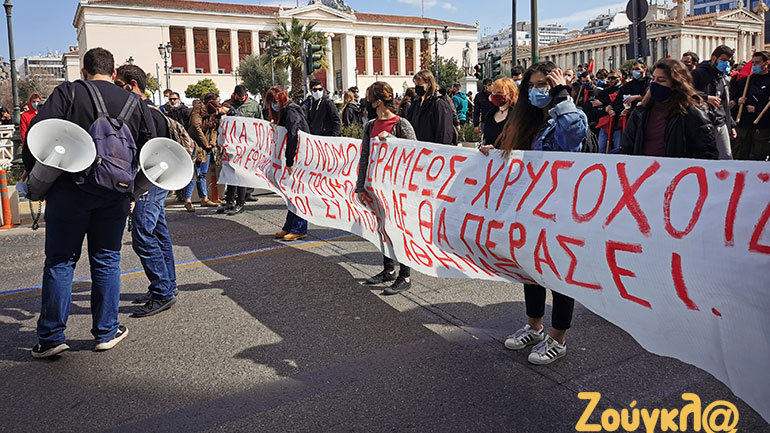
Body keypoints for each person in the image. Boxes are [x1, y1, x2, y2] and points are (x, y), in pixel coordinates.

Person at [23, 47, 156, 358]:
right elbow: (155, 142)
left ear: (83, 71)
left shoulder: (69, 92)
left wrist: (35, 173)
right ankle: (106, 332)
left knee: (60, 261)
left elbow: (37, 137)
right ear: (113, 74)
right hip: (116, 192)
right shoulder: (134, 101)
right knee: (108, 260)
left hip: (69, 191)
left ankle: (51, 337)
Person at [493, 61, 587, 365]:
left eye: (543, 85)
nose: (537, 91)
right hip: (529, 209)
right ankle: (534, 326)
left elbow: (574, 135)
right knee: (530, 269)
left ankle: (557, 338)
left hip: (560, 210)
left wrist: (562, 94)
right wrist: (490, 156)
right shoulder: (525, 122)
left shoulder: (568, 116)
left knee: (559, 274)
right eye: (531, 86)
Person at [115, 64, 179, 317]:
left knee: (142, 236)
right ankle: (167, 285)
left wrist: (135, 190)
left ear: (132, 85)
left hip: (148, 181)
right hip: (157, 179)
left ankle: (162, 291)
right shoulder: (153, 111)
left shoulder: (143, 112)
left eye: (119, 85)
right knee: (158, 232)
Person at [355, 82, 418, 295]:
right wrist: (360, 186)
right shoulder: (370, 125)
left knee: (399, 230)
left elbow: (414, 153)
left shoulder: (401, 124)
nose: (367, 101)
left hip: (397, 189)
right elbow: (364, 156)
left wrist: (391, 140)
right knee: (382, 228)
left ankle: (405, 274)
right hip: (376, 187)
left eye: (369, 97)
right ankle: (388, 269)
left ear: (379, 101)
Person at [622, 59, 718, 160]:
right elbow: (627, 146)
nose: (654, 84)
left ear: (676, 84)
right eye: (653, 79)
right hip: (644, 173)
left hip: (677, 173)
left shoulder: (692, 113)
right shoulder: (641, 112)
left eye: (661, 80)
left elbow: (707, 152)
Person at [266, 86, 310, 242]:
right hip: (293, 156)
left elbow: (293, 136)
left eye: (275, 102)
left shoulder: (291, 112)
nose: (273, 105)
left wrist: (290, 160)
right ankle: (290, 226)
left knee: (296, 192)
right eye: (271, 102)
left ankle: (299, 228)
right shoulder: (287, 111)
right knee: (291, 192)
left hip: (298, 157)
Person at [220, 85, 263, 215]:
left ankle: (240, 202)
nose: (241, 99)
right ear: (235, 95)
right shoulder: (227, 104)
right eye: (239, 97)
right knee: (230, 173)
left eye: (243, 97)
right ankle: (230, 201)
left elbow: (260, 125)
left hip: (247, 146)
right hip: (231, 145)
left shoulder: (253, 105)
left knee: (242, 174)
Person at [692, 45, 736, 160]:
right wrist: (706, 98)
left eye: (728, 61)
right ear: (713, 58)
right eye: (723, 60)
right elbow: (687, 92)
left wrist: (731, 124)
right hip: (703, 123)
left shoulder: (722, 77)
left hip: (720, 123)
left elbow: (724, 103)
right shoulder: (698, 74)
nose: (726, 64)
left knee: (726, 157)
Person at [183, 92, 222, 212]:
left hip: (206, 147)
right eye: (217, 101)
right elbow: (196, 128)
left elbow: (215, 128)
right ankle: (187, 200)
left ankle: (204, 199)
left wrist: (212, 143)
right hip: (195, 145)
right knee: (194, 173)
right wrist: (206, 143)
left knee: (203, 174)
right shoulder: (197, 111)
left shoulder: (214, 112)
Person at [730, 51, 770, 160]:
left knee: (759, 155)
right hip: (744, 124)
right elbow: (734, 97)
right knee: (739, 154)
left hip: (762, 126)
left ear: (766, 63)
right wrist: (738, 100)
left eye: (757, 63)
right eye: (753, 63)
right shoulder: (746, 80)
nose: (754, 65)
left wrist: (757, 109)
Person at [408, 70, 455, 145]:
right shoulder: (416, 102)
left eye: (419, 84)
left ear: (429, 84)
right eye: (415, 84)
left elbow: (443, 132)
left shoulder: (439, 104)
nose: (417, 87)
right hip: (418, 148)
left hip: (432, 150)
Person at [478, 77, 518, 150]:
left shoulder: (517, 115)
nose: (495, 95)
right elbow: (486, 139)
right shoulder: (490, 114)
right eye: (493, 92)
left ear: (511, 94)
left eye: (500, 92)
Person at [612, 61, 650, 131]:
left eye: (637, 69)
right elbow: (617, 100)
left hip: (647, 118)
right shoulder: (628, 86)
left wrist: (637, 97)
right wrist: (621, 110)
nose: (635, 71)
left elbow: (651, 96)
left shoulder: (650, 83)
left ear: (644, 70)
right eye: (633, 69)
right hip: (630, 119)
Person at [595, 70, 624, 153]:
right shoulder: (604, 92)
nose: (611, 80)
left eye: (613, 78)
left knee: (618, 148)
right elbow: (595, 106)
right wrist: (605, 108)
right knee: (601, 147)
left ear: (620, 78)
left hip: (618, 123)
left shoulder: (624, 90)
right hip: (605, 124)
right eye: (609, 78)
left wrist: (615, 110)